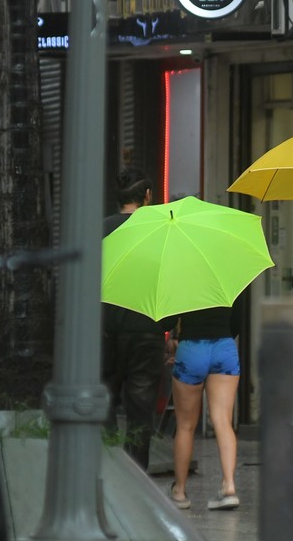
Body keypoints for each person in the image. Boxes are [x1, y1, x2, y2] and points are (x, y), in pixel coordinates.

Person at [102, 167, 168, 469]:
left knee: (103, 401)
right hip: (146, 330)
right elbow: (168, 281)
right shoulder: (159, 232)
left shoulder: (101, 230)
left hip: (105, 329)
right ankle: (137, 473)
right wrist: (169, 327)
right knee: (141, 409)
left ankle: (108, 466)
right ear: (148, 196)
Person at [166, 305, 241, 511]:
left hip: (191, 347)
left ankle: (179, 491)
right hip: (224, 347)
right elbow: (239, 318)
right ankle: (229, 486)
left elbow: (166, 320)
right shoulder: (226, 283)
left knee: (185, 426)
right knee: (223, 421)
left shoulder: (182, 284)